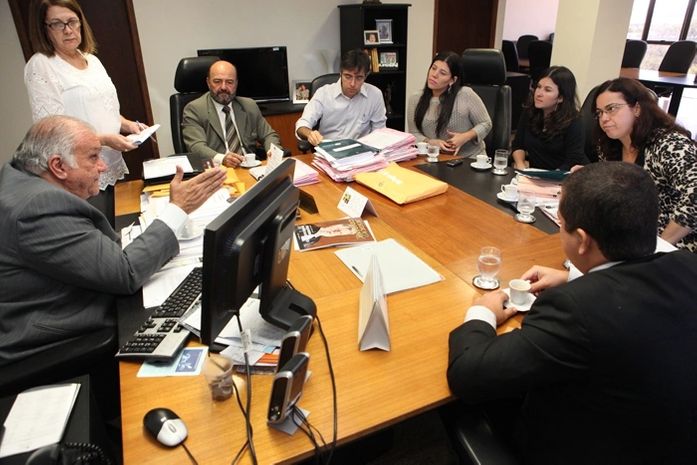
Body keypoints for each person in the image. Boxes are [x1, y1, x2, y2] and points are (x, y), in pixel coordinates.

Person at [447, 162, 697, 465]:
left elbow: (467, 376)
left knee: (458, 406)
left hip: (589, 447)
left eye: (560, 223)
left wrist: (481, 312)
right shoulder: (687, 266)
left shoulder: (575, 309)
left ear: (582, 239)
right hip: (671, 444)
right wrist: (573, 277)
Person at [0, 115, 226, 366]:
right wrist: (178, 210)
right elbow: (125, 273)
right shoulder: (39, 207)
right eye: (93, 157)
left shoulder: (22, 178)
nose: (103, 167)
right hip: (51, 336)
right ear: (58, 166)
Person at [24, 0, 145, 224]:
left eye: (72, 21)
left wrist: (128, 125)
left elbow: (104, 109)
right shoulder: (41, 65)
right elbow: (51, 131)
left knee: (119, 229)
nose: (68, 30)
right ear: (45, 28)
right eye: (57, 24)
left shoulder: (92, 60)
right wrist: (103, 139)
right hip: (78, 174)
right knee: (98, 240)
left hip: (110, 163)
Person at [593, 77, 697, 252]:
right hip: (630, 240)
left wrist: (657, 248)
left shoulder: (670, 144)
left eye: (611, 109)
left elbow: (694, 199)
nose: (604, 118)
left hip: (676, 249)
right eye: (599, 112)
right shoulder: (608, 146)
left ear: (637, 108)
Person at [182, 60, 281, 168]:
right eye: (217, 81)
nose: (223, 87)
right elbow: (196, 146)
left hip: (249, 168)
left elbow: (269, 135)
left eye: (229, 82)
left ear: (236, 83)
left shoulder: (249, 105)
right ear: (208, 82)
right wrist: (222, 159)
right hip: (217, 171)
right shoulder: (194, 109)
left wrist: (272, 152)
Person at [295, 49, 387, 146]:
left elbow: (380, 133)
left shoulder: (375, 95)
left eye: (359, 77)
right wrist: (310, 134)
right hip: (328, 151)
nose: (352, 84)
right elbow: (302, 124)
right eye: (348, 76)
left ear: (366, 76)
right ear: (340, 73)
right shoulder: (323, 93)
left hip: (360, 153)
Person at [407, 51, 492, 157]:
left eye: (442, 73)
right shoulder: (415, 98)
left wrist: (464, 137)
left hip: (469, 159)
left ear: (453, 80)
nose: (434, 75)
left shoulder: (465, 94)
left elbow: (486, 123)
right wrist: (431, 142)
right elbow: (414, 134)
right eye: (433, 68)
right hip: (434, 158)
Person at [511, 66, 589, 171]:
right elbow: (518, 145)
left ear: (561, 97)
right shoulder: (529, 111)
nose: (538, 93)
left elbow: (573, 160)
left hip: (563, 176)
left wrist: (550, 177)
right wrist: (521, 166)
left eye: (547, 90)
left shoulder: (574, 121)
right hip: (535, 174)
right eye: (538, 87)